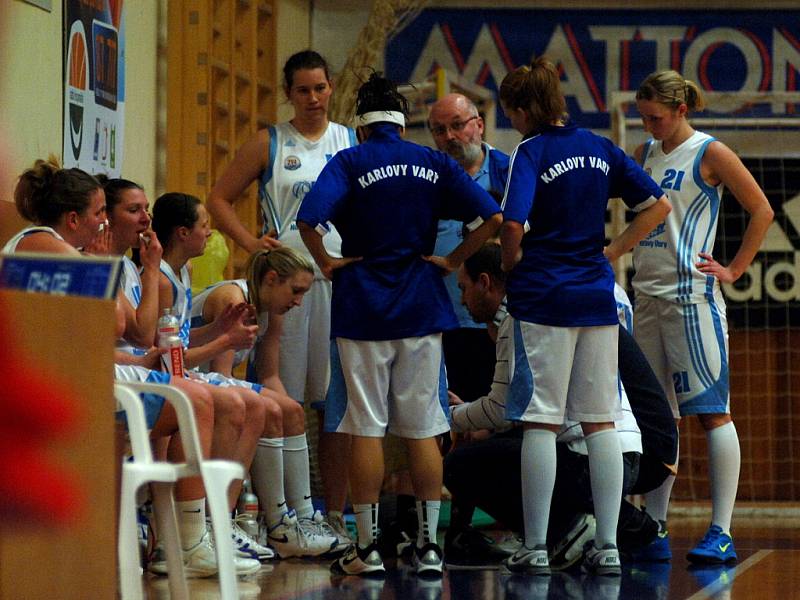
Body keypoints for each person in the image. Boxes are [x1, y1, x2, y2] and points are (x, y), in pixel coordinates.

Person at [4, 161, 262, 576]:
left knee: (198, 397)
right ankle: (186, 540)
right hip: (50, 384)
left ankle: (185, 537)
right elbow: (116, 325)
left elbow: (130, 330)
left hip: (75, 374)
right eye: (99, 212)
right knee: (193, 399)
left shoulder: (72, 249)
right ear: (74, 219)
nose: (103, 221)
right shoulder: (42, 242)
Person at [297, 72, 502, 577]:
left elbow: (308, 220)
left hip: (362, 305)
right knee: (424, 429)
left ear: (362, 128)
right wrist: (454, 260)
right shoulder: (431, 160)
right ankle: (430, 548)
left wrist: (327, 263)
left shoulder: (349, 159)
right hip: (422, 307)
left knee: (365, 426)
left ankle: (367, 551)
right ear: (401, 124)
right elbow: (493, 219)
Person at [498, 56, 671, 576]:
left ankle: (533, 545)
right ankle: (611, 545)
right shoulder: (600, 147)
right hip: (597, 298)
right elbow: (658, 205)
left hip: (545, 298)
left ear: (525, 109)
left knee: (540, 421)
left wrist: (512, 269)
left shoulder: (530, 152)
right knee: (600, 422)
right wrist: (612, 251)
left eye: (512, 113)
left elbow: (511, 224)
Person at [443, 243, 678, 569]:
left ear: (486, 282)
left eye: (463, 288)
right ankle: (606, 532)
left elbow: (502, 407)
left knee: (463, 464)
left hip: (602, 453)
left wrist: (451, 417)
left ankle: (564, 530)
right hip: (644, 448)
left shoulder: (525, 314)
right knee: (516, 442)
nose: (462, 300)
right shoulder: (595, 297)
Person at [207, 50, 357, 533]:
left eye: (320, 88)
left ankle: (333, 514)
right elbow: (218, 197)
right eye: (303, 90)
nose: (313, 98)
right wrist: (251, 243)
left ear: (331, 87)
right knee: (282, 398)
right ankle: (281, 514)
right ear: (289, 93)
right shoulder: (270, 142)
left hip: (338, 279)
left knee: (334, 404)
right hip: (285, 282)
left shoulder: (349, 142)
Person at [632, 70, 774, 564]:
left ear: (681, 110)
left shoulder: (710, 152)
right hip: (645, 299)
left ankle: (721, 530)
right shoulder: (644, 152)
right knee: (656, 417)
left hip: (691, 300)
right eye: (642, 116)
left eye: (655, 117)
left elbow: (762, 210)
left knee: (713, 413)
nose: (647, 125)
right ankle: (653, 527)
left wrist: (734, 268)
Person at [151, 191, 340, 559]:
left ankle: (296, 519)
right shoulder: (233, 299)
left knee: (289, 409)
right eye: (296, 290)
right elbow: (216, 372)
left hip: (193, 377)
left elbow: (269, 374)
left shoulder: (266, 307)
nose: (299, 299)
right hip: (185, 379)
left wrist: (288, 410)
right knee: (251, 406)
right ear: (272, 279)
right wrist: (228, 338)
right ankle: (243, 522)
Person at [427, 93, 509, 404]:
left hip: (501, 319)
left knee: (501, 416)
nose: (449, 136)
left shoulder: (510, 170)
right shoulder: (429, 177)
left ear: (479, 125)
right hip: (446, 321)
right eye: (439, 130)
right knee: (450, 416)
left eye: (457, 125)